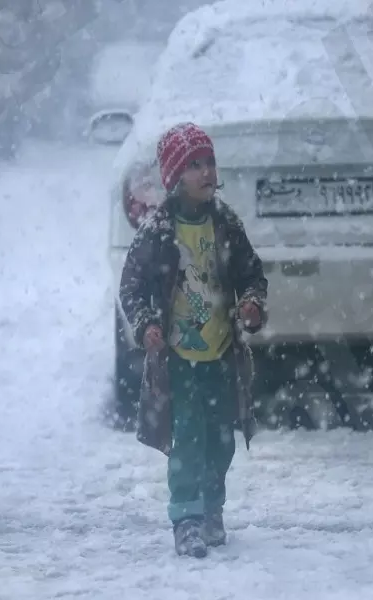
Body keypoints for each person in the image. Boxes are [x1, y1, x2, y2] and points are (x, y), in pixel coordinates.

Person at [119, 122, 268, 558]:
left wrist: (252, 304)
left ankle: (211, 508)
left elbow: (250, 274)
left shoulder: (225, 223)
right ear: (174, 177)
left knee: (221, 437)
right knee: (187, 437)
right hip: (178, 356)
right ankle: (186, 517)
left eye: (210, 162)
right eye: (194, 166)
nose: (206, 172)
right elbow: (132, 285)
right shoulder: (158, 230)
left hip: (221, 352)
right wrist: (147, 323)